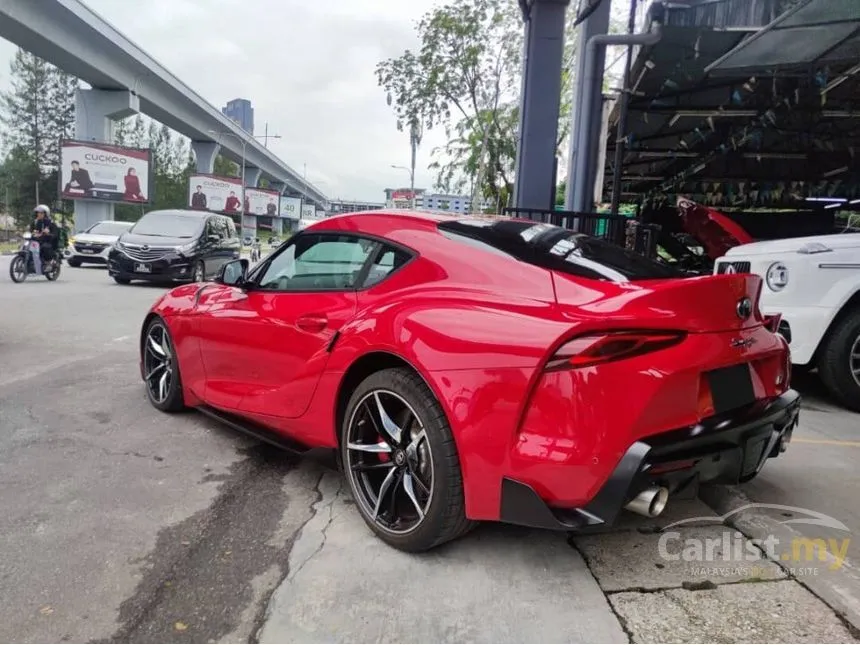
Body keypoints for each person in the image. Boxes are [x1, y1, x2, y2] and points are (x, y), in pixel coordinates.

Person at [29, 205, 58, 275]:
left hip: (47, 241)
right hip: (36, 241)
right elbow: (31, 231)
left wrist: (48, 233)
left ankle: (48, 263)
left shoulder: (50, 223)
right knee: (26, 246)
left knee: (45, 247)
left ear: (46, 214)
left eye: (41, 213)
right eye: (38, 213)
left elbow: (55, 234)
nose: (39, 214)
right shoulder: (35, 222)